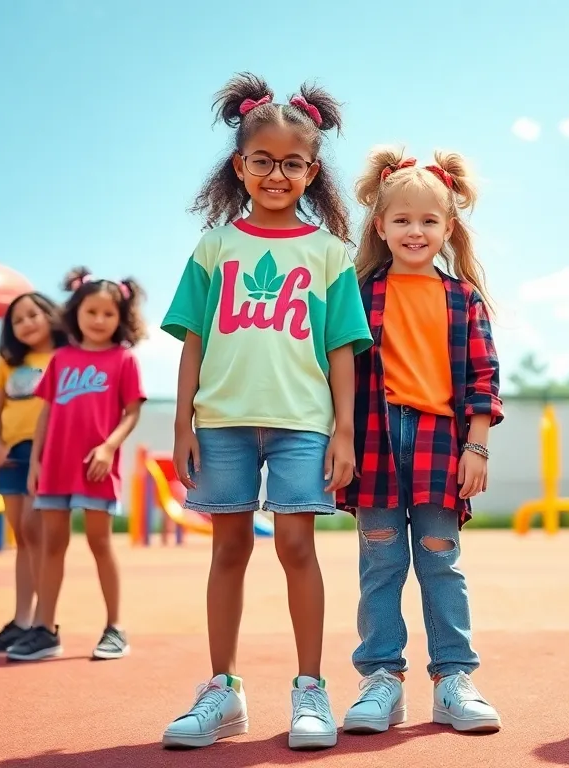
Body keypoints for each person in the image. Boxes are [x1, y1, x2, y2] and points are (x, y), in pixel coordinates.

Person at [159, 72, 373, 751]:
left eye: (292, 163)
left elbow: (343, 349)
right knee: (227, 550)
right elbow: (193, 339)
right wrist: (180, 422)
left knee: (296, 546)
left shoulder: (329, 253)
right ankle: (222, 691)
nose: (276, 173)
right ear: (239, 165)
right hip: (220, 422)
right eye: (262, 160)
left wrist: (344, 431)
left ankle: (311, 687)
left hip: (303, 424)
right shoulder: (215, 246)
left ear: (313, 170)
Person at [337, 147, 504, 736]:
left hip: (440, 441)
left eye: (428, 221)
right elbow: (339, 376)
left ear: (448, 228)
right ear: (379, 226)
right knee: (380, 565)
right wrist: (343, 439)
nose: (415, 230)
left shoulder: (464, 298)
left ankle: (454, 678)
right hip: (376, 441)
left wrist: (476, 446)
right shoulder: (357, 293)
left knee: (441, 564)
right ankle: (381, 679)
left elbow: (484, 379)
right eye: (402, 219)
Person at [5, 269, 147, 663]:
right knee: (52, 545)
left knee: (100, 543)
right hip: (55, 466)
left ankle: (114, 627)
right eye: (92, 311)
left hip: (96, 467)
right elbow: (46, 412)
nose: (99, 320)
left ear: (121, 318)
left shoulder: (123, 359)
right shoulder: (61, 358)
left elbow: (131, 412)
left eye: (109, 313)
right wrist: (35, 461)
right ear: (76, 312)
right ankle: (45, 629)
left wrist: (107, 448)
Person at [0, 292, 69, 653]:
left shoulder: (63, 356)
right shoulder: (9, 362)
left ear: (49, 315)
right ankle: (21, 621)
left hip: (44, 452)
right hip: (11, 453)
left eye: (32, 315)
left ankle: (46, 623)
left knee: (37, 532)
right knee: (22, 538)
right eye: (17, 320)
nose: (26, 324)